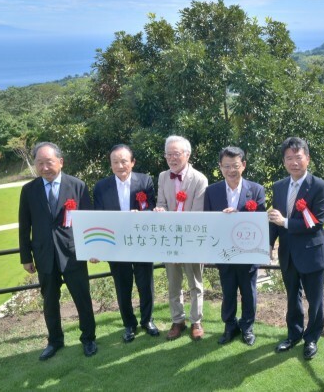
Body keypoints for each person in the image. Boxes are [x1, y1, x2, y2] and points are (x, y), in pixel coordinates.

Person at [18, 142, 97, 360]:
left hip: (73, 254)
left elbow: (88, 222)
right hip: (44, 255)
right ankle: (55, 341)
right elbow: (24, 226)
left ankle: (88, 338)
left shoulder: (77, 185)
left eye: (49, 162)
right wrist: (26, 257)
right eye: (39, 163)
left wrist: (92, 249)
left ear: (60, 162)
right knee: (50, 302)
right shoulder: (28, 190)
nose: (44, 168)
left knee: (82, 299)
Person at [268, 137, 324, 360]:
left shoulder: (320, 187)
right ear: (284, 161)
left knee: (315, 301)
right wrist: (268, 243)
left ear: (307, 158)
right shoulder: (279, 186)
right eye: (289, 158)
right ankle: (293, 335)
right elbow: (274, 218)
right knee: (292, 297)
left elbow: (316, 222)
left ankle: (311, 338)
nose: (293, 162)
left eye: (298, 157)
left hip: (312, 254)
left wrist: (284, 222)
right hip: (288, 254)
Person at [91, 144, 159, 343]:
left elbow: (154, 209)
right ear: (110, 164)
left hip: (141, 242)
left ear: (132, 162)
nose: (120, 165)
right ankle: (129, 324)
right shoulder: (101, 187)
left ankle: (148, 320)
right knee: (122, 286)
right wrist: (97, 247)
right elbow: (98, 219)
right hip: (115, 244)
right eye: (115, 162)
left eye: (124, 161)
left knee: (146, 284)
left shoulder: (145, 181)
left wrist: (142, 214)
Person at [204, 146, 266, 346]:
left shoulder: (256, 190)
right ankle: (229, 326)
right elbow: (208, 221)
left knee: (248, 292)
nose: (232, 170)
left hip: (248, 252)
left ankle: (247, 327)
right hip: (224, 252)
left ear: (244, 166)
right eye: (227, 166)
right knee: (228, 291)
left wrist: (239, 214)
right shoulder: (211, 191)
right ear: (220, 167)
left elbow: (261, 222)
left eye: (236, 166)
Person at [154, 135, 208, 340]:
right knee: (173, 283)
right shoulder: (162, 176)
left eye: (176, 154)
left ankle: (197, 321)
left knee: (195, 283)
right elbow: (162, 202)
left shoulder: (200, 179)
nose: (171, 158)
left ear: (187, 154)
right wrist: (160, 210)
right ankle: (178, 320)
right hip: (169, 240)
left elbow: (197, 214)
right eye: (168, 154)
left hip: (192, 239)